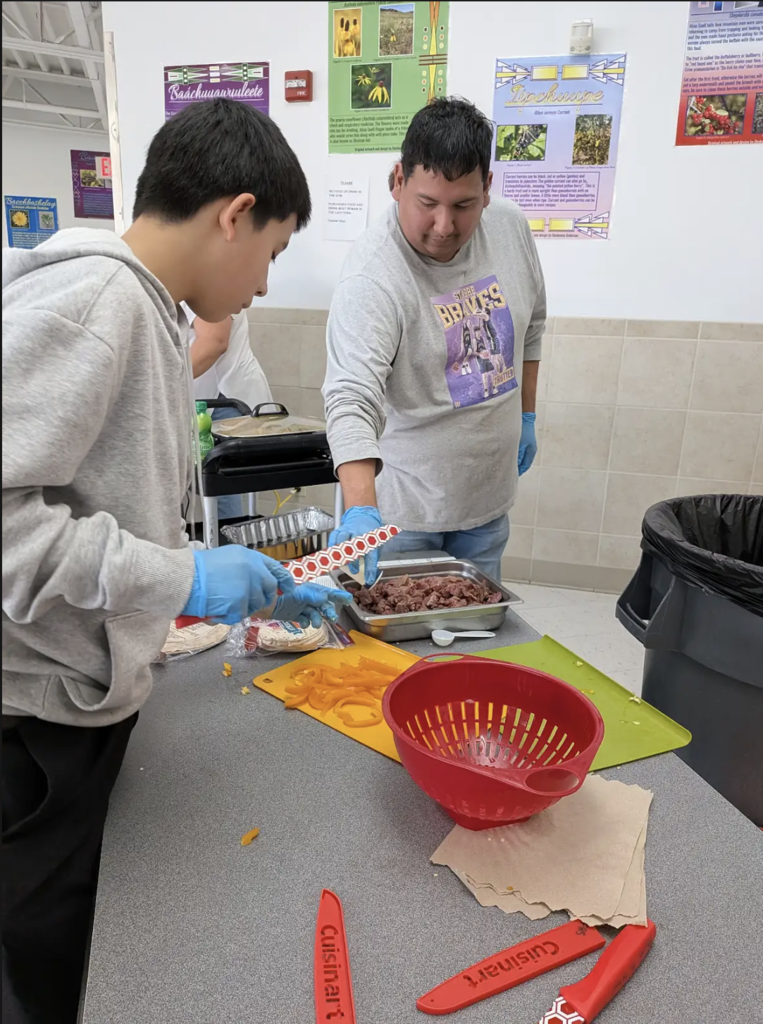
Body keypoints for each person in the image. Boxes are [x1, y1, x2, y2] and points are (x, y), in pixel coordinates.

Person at [2, 98, 350, 1024]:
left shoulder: (147, 310)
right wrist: (182, 578)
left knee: (85, 931)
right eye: (272, 252)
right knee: (43, 949)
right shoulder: (94, 302)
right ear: (233, 212)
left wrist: (181, 560)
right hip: (34, 715)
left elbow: (85, 498)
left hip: (87, 683)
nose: (267, 284)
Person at [324, 97, 546, 584]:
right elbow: (350, 397)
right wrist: (362, 514)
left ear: (487, 189)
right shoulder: (373, 276)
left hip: (488, 500)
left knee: (474, 642)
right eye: (428, 204)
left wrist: (527, 416)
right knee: (401, 655)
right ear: (398, 181)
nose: (444, 227)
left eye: (463, 205)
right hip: (404, 518)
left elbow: (532, 327)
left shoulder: (509, 228)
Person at [186, 307, 273, 520]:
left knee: (222, 499)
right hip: (208, 401)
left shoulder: (202, 279)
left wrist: (160, 381)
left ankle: (231, 552)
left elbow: (214, 341)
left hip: (225, 402)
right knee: (216, 498)